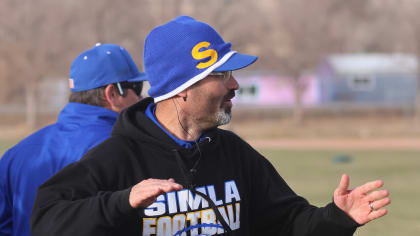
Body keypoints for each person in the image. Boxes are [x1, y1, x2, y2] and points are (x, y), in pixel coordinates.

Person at [31, 16, 390, 236]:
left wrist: (338, 218)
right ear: (182, 90)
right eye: (220, 75)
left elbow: (287, 223)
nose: (234, 85)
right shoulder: (117, 157)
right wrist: (122, 202)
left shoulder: (233, 152)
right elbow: (47, 220)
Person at [0, 43, 147, 236]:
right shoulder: (123, 148)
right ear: (112, 93)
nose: (141, 96)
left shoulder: (16, 154)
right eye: (136, 87)